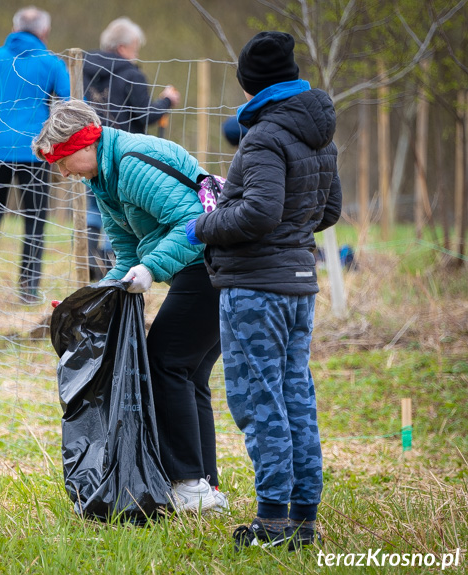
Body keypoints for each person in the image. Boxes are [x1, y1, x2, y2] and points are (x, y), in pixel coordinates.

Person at [187, 31, 342, 550]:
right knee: (296, 395)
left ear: (251, 83)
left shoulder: (265, 136)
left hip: (256, 288)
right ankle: (303, 518)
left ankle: (271, 522)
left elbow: (258, 212)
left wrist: (204, 224)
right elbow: (329, 211)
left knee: (260, 401)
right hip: (299, 284)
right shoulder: (318, 132)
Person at [33, 99, 225, 513]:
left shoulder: (134, 163)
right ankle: (204, 487)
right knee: (188, 374)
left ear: (84, 144)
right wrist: (93, 297)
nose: (62, 173)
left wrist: (152, 268)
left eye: (63, 161)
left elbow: (195, 220)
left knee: (166, 364)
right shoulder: (104, 177)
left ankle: (190, 485)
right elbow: (125, 254)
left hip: (215, 263)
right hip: (199, 268)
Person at [0, 6, 70, 304]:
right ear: (44, 32)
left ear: (14, 27)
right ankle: (28, 286)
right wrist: (67, 146)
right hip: (37, 151)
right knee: (34, 218)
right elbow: (69, 103)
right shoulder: (52, 63)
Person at [82, 17, 180, 280]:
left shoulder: (83, 69)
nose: (136, 50)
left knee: (95, 203)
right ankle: (109, 258)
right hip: (123, 153)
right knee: (119, 207)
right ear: (124, 46)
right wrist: (166, 102)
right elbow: (146, 114)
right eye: (135, 45)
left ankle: (90, 257)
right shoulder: (131, 74)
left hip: (88, 149)